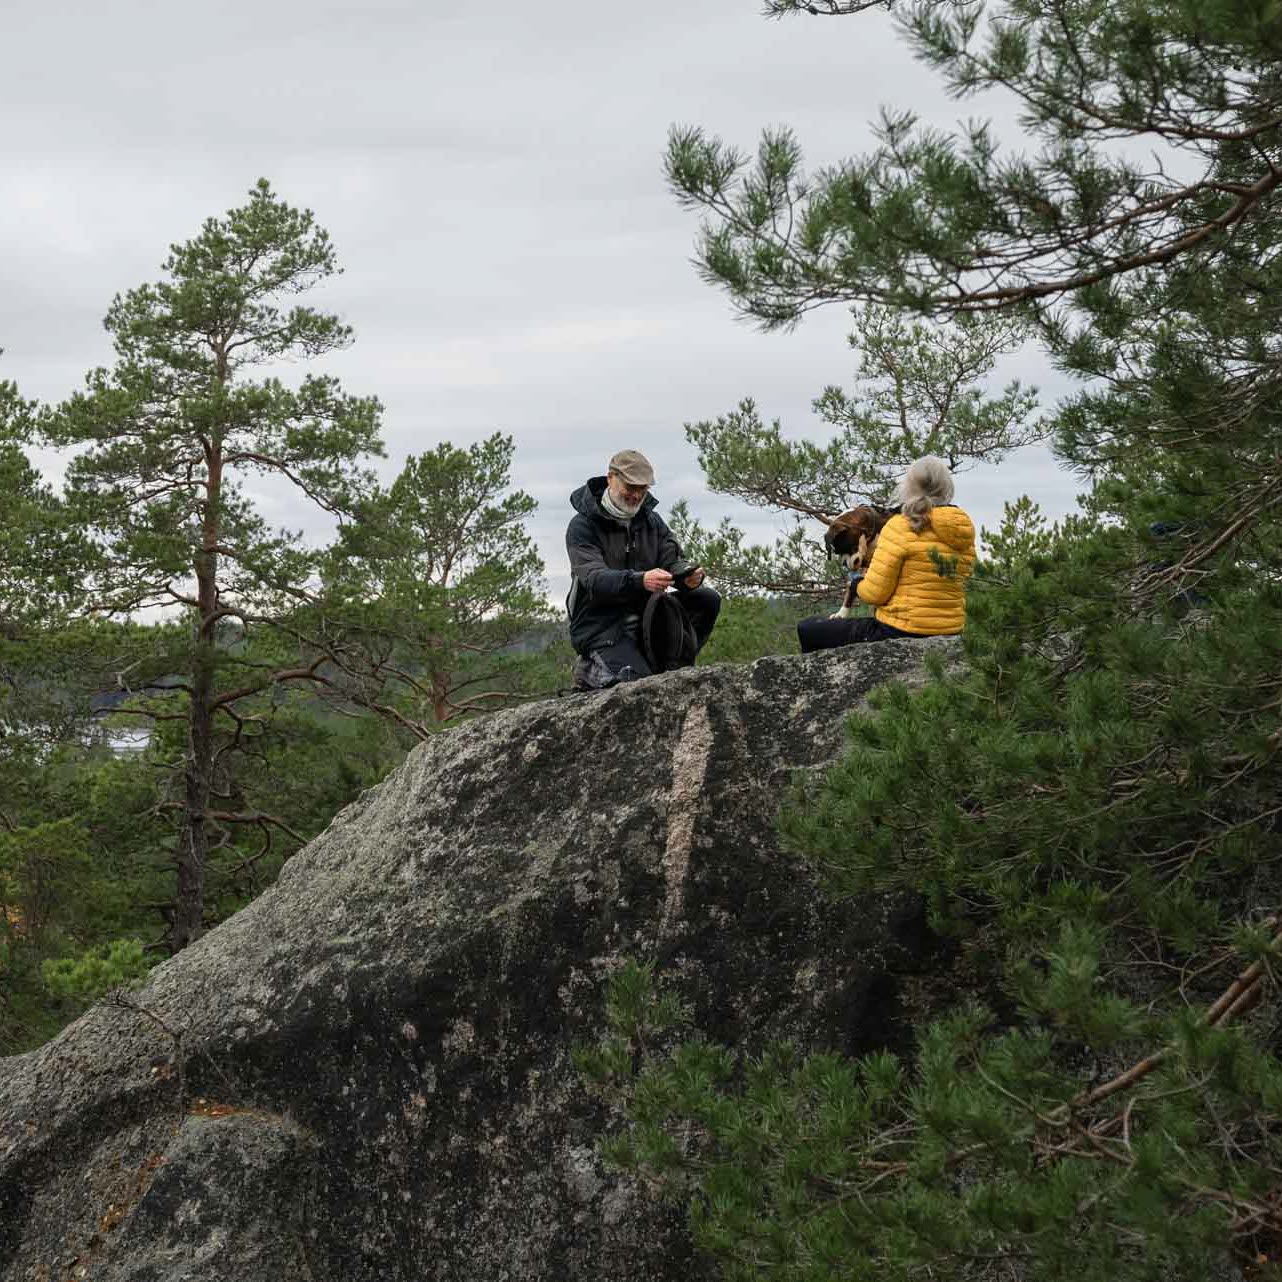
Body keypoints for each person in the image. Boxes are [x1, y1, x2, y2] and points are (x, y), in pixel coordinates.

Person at [566, 450, 721, 688]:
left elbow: (671, 559)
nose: (636, 495)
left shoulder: (652, 521)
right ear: (610, 478)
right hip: (601, 626)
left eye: (643, 488)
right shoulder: (582, 526)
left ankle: (673, 665)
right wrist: (640, 580)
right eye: (630, 486)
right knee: (636, 686)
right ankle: (591, 669)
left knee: (707, 599)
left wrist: (688, 577)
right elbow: (594, 579)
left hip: (647, 617)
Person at [797, 456, 976, 653]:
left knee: (809, 628)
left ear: (910, 487)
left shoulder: (900, 526)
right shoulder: (963, 530)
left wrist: (857, 581)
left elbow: (875, 594)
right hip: (951, 630)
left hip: (901, 630)